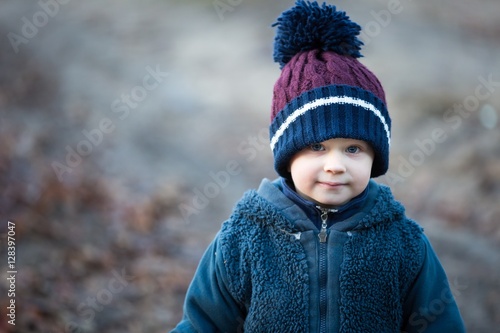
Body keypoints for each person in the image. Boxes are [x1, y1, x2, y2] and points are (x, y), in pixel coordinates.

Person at [171, 1, 466, 332]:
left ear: (375, 157)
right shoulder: (243, 239)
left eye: (353, 149)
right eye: (317, 147)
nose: (335, 165)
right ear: (287, 155)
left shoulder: (403, 243)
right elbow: (202, 325)